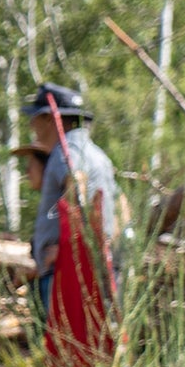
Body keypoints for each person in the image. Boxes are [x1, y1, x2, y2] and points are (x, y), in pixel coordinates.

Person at [25, 83, 119, 300]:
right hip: (90, 267)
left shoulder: (66, 151)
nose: (32, 125)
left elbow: (77, 183)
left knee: (64, 334)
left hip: (66, 272)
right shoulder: (99, 155)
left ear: (50, 119)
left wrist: (67, 251)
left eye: (35, 118)